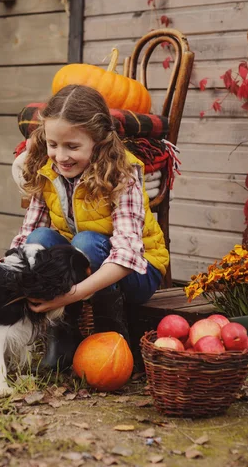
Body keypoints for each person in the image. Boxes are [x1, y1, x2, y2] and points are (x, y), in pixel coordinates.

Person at [10, 84, 169, 370]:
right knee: (38, 239)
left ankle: (112, 337)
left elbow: (126, 256)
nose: (60, 156)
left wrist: (70, 295)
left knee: (86, 243)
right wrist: (7, 271)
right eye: (53, 144)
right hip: (83, 266)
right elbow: (28, 234)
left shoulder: (123, 173)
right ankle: (61, 335)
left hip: (139, 271)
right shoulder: (47, 168)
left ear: (98, 140)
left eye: (73, 146)